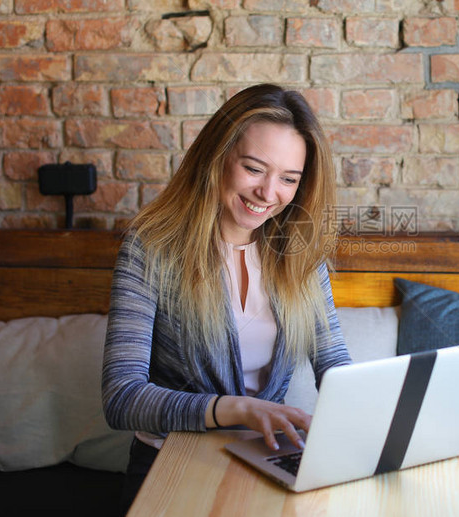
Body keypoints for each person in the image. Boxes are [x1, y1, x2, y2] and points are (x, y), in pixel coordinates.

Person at [101, 84, 351, 511]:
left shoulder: (301, 254)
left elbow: (334, 365)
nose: (269, 193)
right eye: (254, 168)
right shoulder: (152, 247)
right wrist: (234, 409)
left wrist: (375, 413)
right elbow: (121, 397)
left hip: (266, 461)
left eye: (289, 179)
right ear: (217, 157)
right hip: (171, 464)